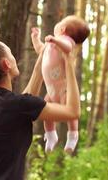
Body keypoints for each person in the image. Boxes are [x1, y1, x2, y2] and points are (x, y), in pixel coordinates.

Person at [0, 32, 80, 180]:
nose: (14, 58)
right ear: (7, 64)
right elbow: (73, 112)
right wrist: (69, 62)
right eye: (11, 54)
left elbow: (19, 107)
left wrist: (41, 61)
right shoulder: (15, 105)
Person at [31, 15, 90, 154]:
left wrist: (55, 40)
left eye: (59, 24)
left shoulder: (64, 40)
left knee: (71, 115)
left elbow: (68, 48)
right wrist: (35, 38)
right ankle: (51, 135)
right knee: (45, 111)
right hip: (52, 90)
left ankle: (73, 134)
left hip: (63, 88)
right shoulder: (50, 45)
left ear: (63, 29)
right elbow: (40, 50)